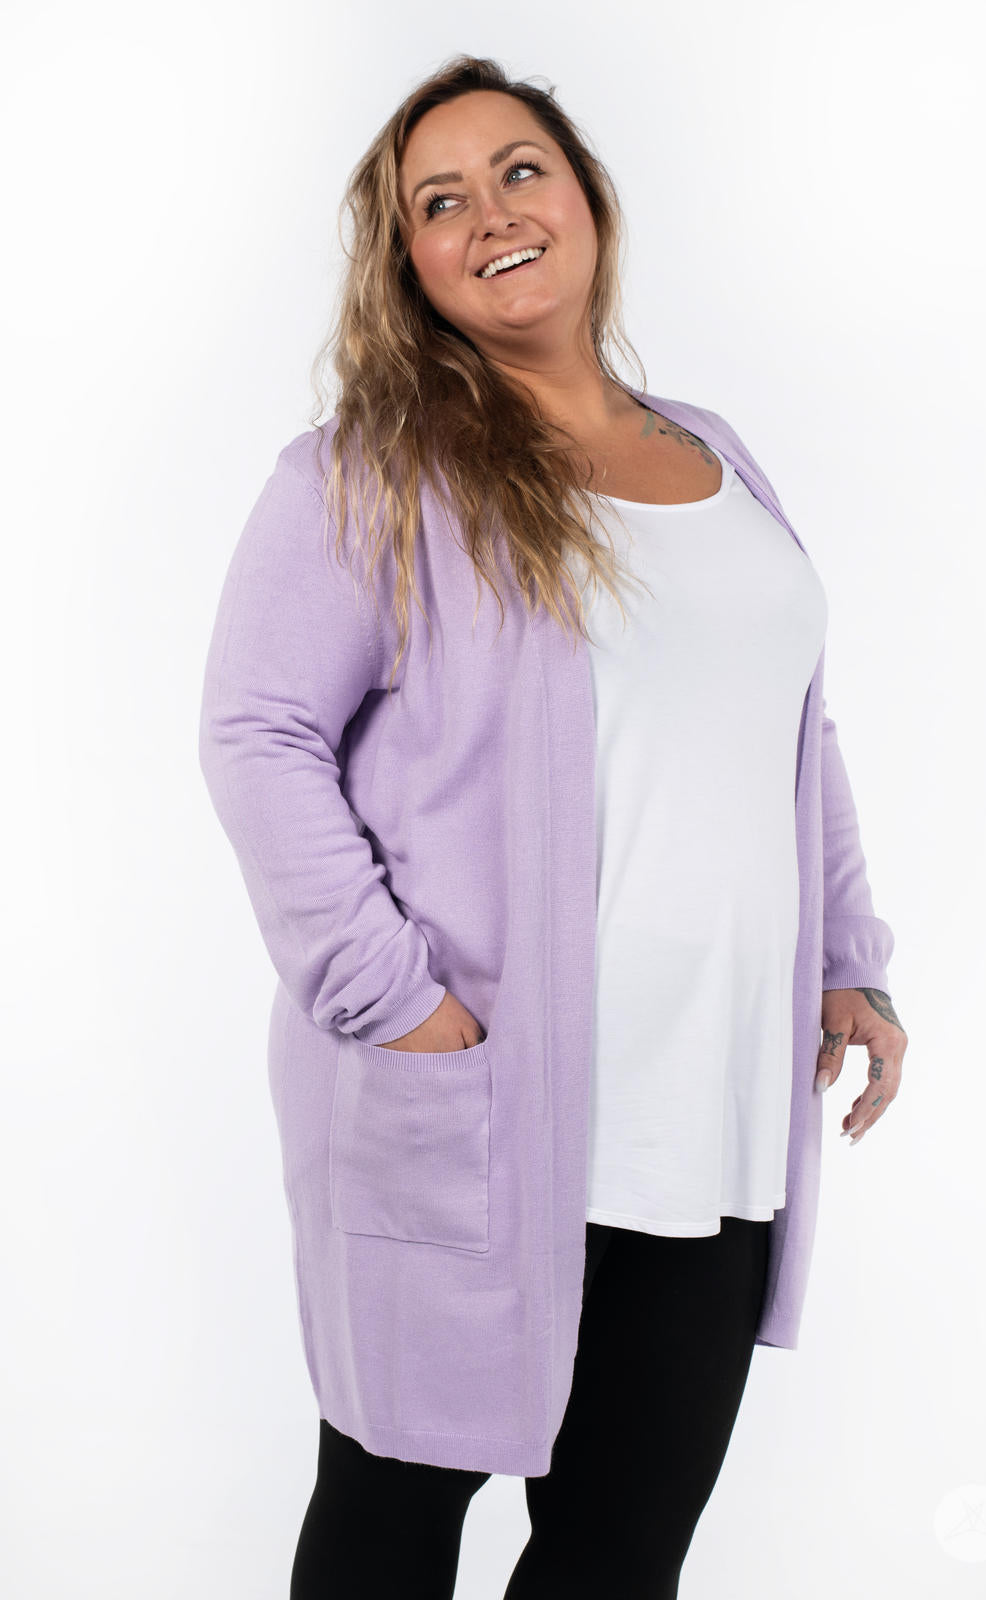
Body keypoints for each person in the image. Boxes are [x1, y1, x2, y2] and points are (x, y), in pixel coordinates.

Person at [198, 52, 908, 1600]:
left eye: (520, 170)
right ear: (408, 263)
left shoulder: (713, 451)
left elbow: (787, 727)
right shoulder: (370, 476)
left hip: (705, 1110)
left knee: (618, 1556)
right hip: (478, 1097)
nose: (492, 214)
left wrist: (845, 954)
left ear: (586, 197)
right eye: (439, 202)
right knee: (390, 1528)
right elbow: (258, 735)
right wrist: (395, 1000)